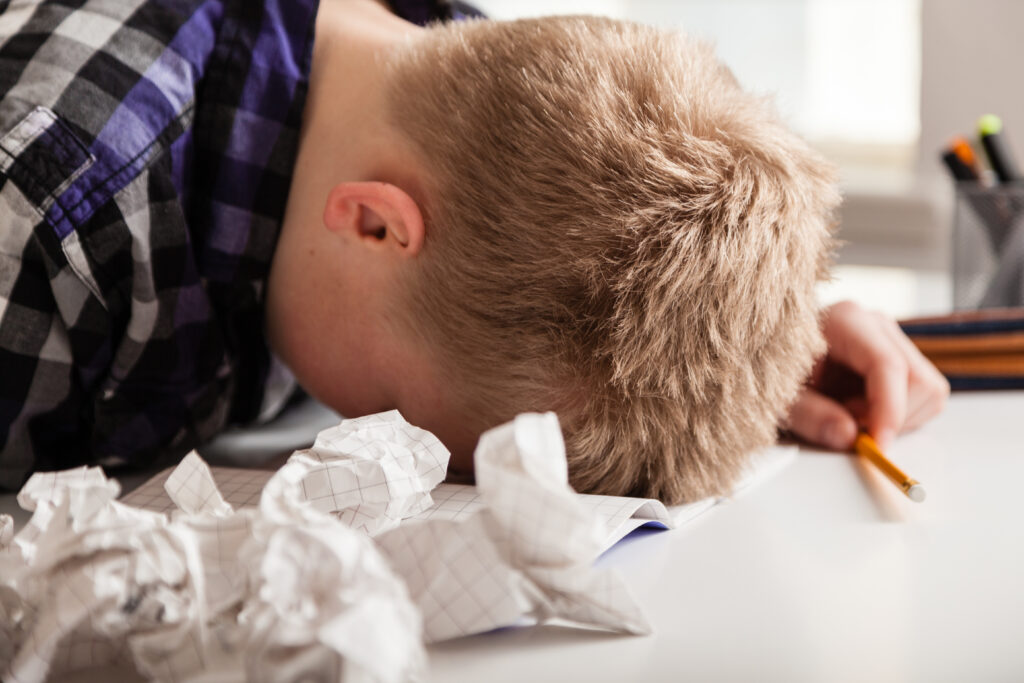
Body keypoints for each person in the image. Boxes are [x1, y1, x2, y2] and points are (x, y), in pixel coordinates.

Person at [0, 0, 947, 503]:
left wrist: (755, 337)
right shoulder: (44, 224)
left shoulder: (483, 110)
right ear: (373, 225)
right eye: (402, 423)